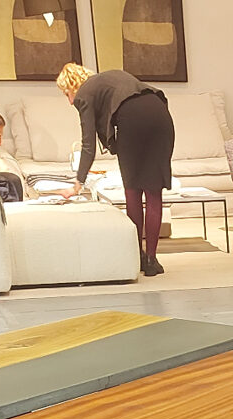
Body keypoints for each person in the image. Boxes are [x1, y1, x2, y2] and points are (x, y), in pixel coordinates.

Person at [58, 62, 176, 277]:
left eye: (67, 94)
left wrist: (78, 183)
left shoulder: (84, 94)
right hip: (160, 114)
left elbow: (88, 145)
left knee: (133, 191)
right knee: (153, 191)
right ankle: (151, 259)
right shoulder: (108, 80)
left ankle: (137, 256)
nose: (70, 101)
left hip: (131, 121)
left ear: (73, 85)